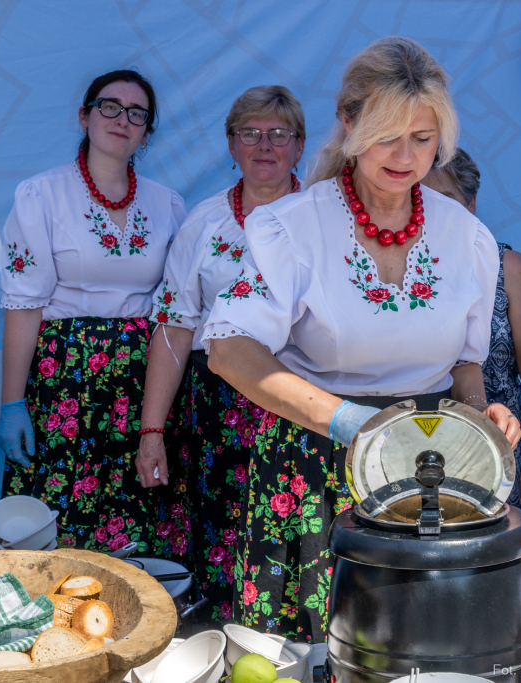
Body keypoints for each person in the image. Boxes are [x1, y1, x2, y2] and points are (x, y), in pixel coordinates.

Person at [201, 37, 521, 641]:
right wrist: (348, 421)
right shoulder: (293, 227)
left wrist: (481, 421)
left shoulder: (465, 236)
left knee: (415, 646)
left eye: (422, 139)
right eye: (386, 136)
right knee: (308, 649)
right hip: (313, 462)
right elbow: (228, 349)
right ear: (348, 123)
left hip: (426, 467)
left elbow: (465, 366)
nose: (405, 156)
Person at [0, 70, 186, 552]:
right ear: (84, 117)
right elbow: (24, 307)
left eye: (137, 113)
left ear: (146, 132)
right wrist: (11, 403)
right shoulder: (42, 195)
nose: (122, 119)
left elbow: (175, 312)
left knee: (135, 520)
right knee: (56, 521)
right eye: (110, 106)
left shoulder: (167, 205)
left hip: (142, 381)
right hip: (65, 377)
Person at [135, 86, 305, 624]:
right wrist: (152, 431)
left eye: (278, 133)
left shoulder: (324, 219)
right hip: (219, 410)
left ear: (300, 146)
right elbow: (174, 327)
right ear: (231, 145)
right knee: (222, 541)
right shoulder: (204, 223)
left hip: (304, 402)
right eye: (250, 133)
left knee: (301, 536)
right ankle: (223, 644)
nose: (264, 145)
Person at [423, 148, 521, 516]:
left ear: (471, 203)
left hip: (500, 447)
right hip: (419, 446)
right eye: (422, 199)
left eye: (446, 198)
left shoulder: (508, 268)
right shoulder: (395, 271)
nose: (434, 211)